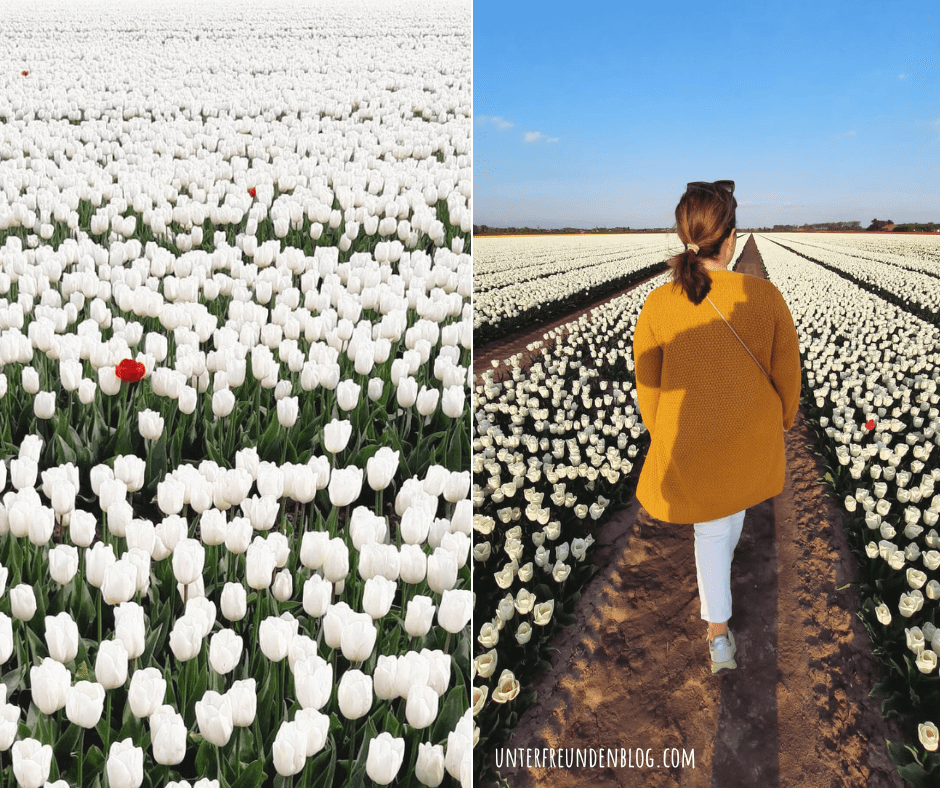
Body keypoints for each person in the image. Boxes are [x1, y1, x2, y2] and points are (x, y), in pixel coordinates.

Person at [631, 180, 801, 673]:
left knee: (718, 524)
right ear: (730, 240)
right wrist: (784, 419)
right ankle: (718, 635)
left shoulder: (659, 306)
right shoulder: (762, 297)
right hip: (748, 440)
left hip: (694, 442)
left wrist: (661, 432)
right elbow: (788, 374)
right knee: (720, 524)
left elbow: (649, 386)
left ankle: (717, 600)